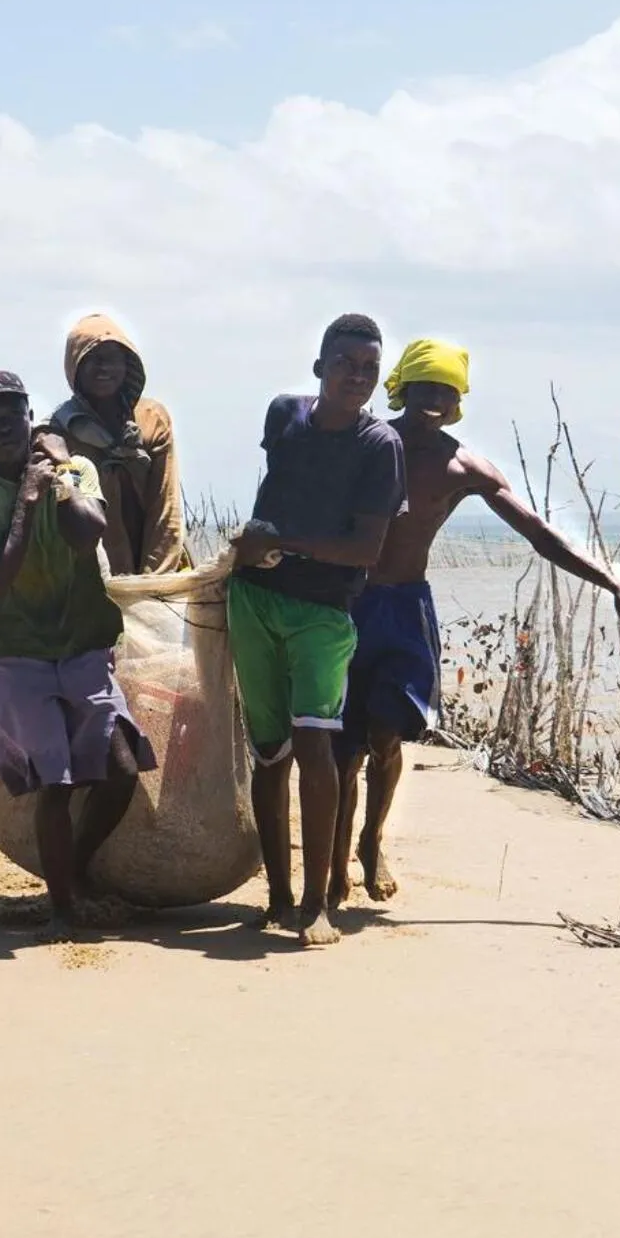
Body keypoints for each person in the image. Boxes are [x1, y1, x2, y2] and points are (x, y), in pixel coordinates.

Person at [333, 338, 620, 906]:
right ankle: (333, 859)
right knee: (342, 744)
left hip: (405, 609)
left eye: (445, 390)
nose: (433, 399)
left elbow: (537, 532)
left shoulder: (463, 466)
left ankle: (372, 840)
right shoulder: (363, 444)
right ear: (402, 389)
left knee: (386, 734)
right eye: (423, 387)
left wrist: (616, 584)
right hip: (346, 602)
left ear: (457, 400)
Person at [0, 370, 154, 938]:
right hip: (19, 655)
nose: (3, 428)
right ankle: (62, 910)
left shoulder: (75, 468)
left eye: (12, 415)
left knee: (122, 767)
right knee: (56, 785)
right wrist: (24, 500)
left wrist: (60, 477)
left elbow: (89, 534)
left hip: (85, 644)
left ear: (30, 418)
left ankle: (77, 867)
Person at [226, 314, 406, 947]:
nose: (357, 377)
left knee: (316, 746)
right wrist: (252, 552)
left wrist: (280, 543)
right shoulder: (284, 415)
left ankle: (317, 904)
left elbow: (366, 550)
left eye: (368, 369)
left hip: (325, 612)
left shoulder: (379, 446)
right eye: (345, 364)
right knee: (268, 751)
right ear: (320, 368)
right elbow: (277, 488)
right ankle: (276, 897)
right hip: (253, 599)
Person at [48, 312, 190, 576]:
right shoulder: (59, 433)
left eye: (112, 358)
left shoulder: (153, 420)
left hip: (159, 566)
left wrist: (153, 582)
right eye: (92, 359)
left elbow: (165, 508)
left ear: (127, 364)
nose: (103, 367)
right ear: (75, 367)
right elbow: (70, 514)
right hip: (93, 574)